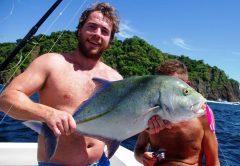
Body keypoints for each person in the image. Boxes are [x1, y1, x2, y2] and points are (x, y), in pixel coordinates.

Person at [0, 2, 122, 166]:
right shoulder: (51, 62)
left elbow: (123, 120)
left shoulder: (116, 79)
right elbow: (6, 98)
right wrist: (49, 114)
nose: (97, 34)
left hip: (101, 162)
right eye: (92, 26)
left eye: (105, 31)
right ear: (79, 30)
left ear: (110, 39)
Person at [134, 59, 220, 166]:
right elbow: (139, 149)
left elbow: (213, 161)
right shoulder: (152, 113)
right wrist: (143, 158)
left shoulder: (203, 113)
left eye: (171, 89)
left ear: (188, 85)